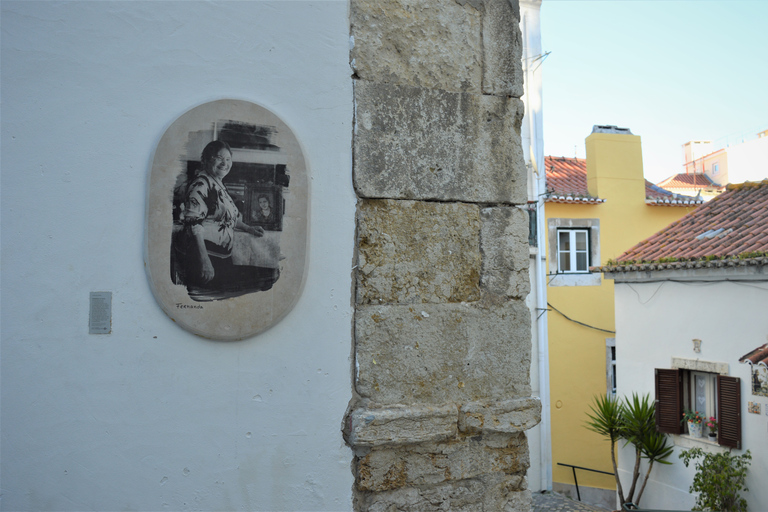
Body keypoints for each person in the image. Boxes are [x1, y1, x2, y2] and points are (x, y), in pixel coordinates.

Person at [181, 140, 263, 285]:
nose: (225, 163)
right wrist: (204, 261)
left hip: (220, 255)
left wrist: (249, 228)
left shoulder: (217, 183)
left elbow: (228, 218)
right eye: (219, 158)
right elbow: (193, 223)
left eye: (228, 159)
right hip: (205, 256)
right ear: (206, 160)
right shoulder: (201, 184)